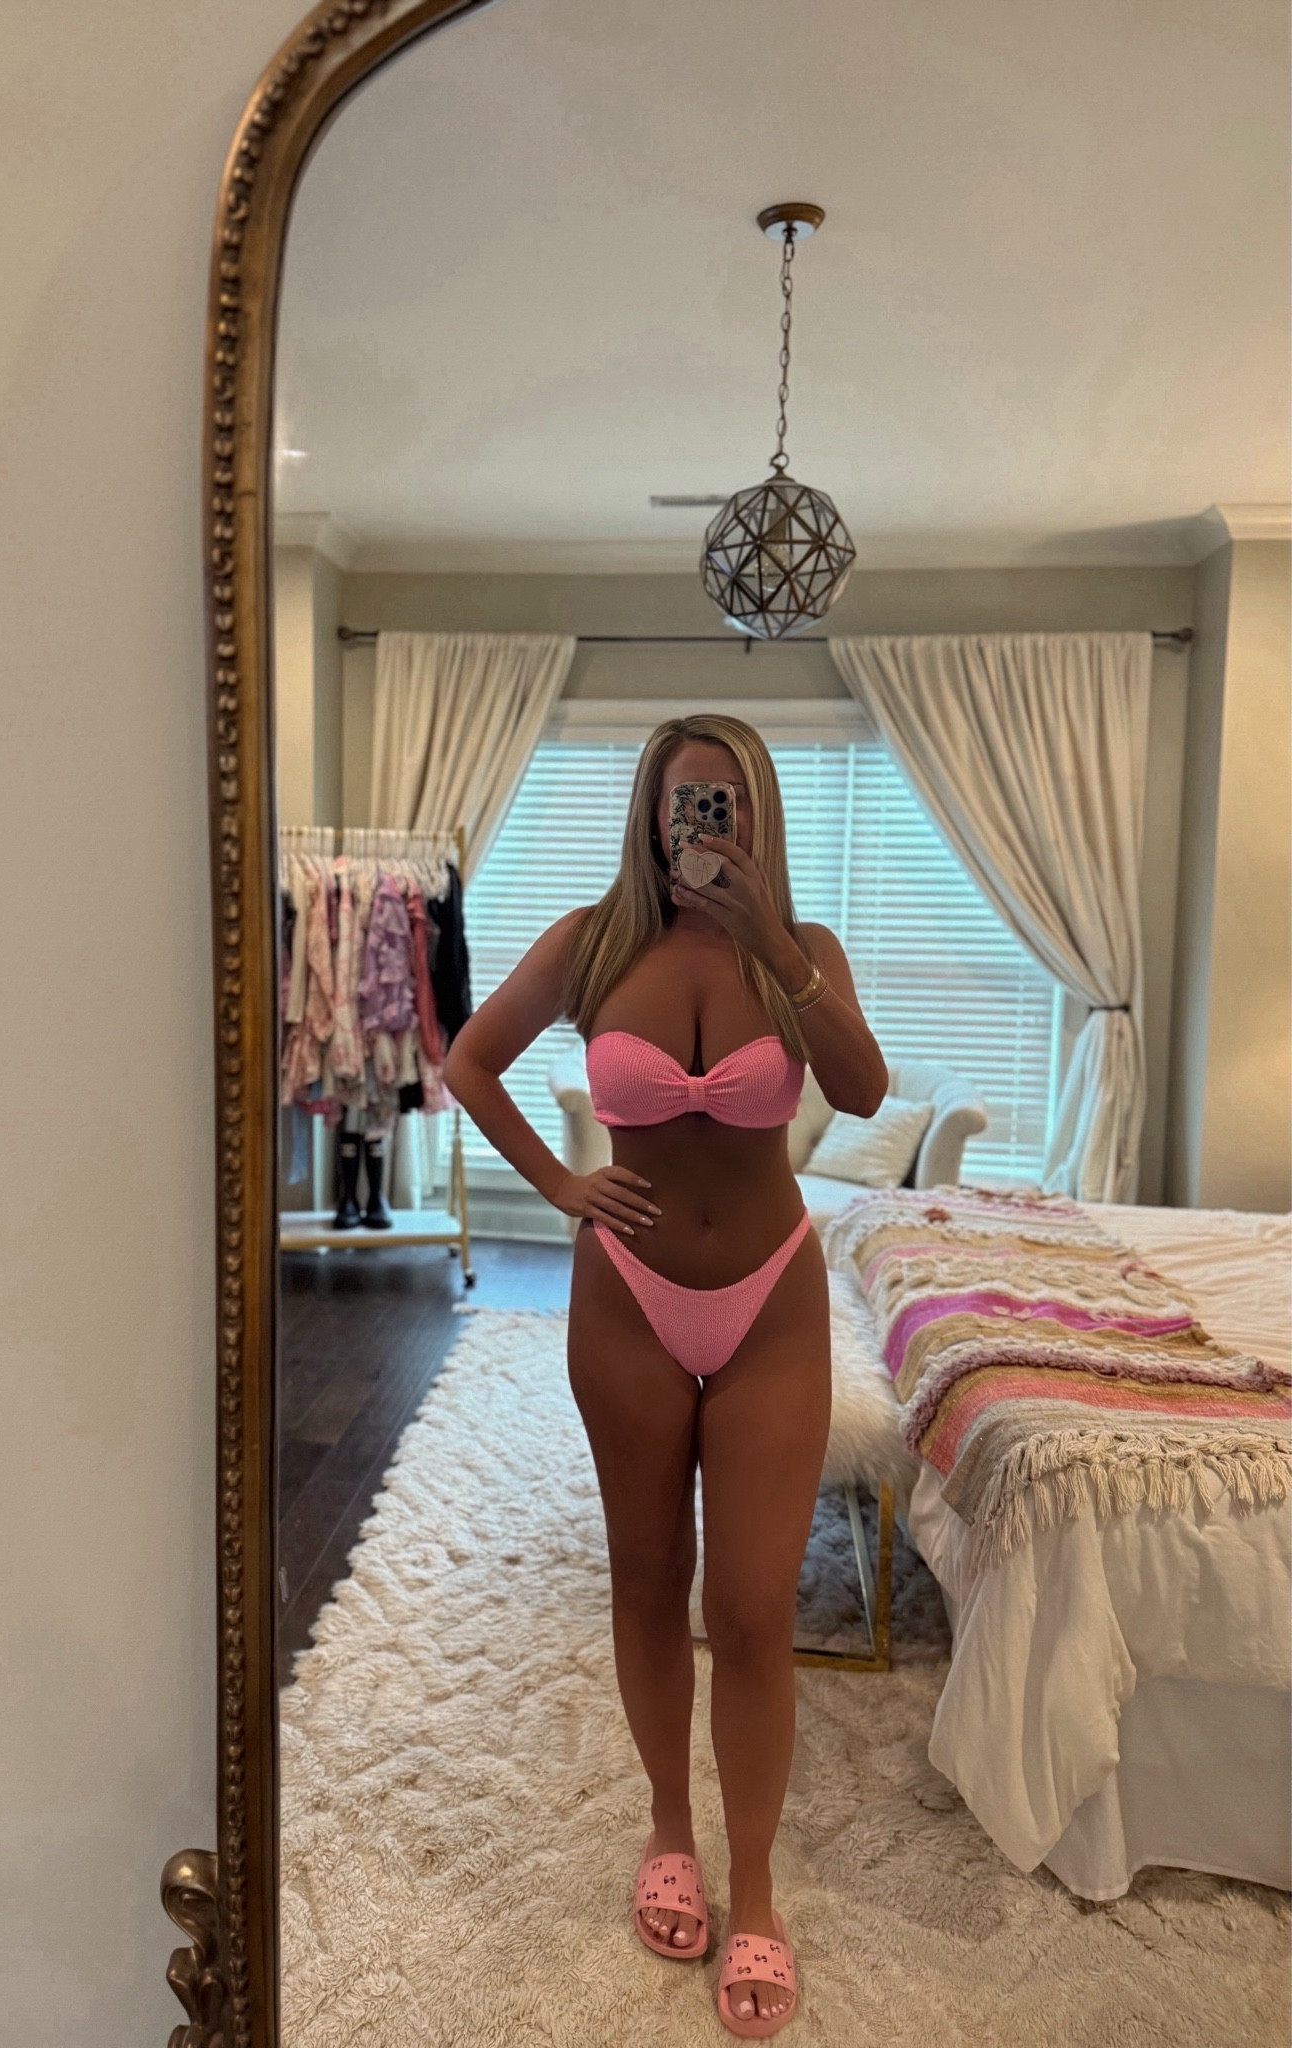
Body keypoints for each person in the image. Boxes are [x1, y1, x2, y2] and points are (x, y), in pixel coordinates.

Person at [442, 713, 888, 2036]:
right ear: (649, 815)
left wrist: (767, 942)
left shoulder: (804, 951)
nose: (706, 823)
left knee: (752, 1609)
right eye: (688, 801)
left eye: (728, 802)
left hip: (770, 1304)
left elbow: (863, 1090)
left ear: (759, 818)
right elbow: (469, 1060)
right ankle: (668, 1827)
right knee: (646, 1578)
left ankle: (759, 1891)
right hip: (627, 1304)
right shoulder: (593, 944)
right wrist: (561, 1183)